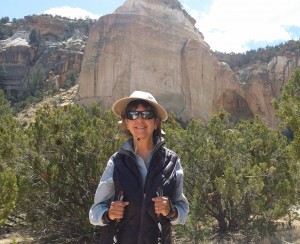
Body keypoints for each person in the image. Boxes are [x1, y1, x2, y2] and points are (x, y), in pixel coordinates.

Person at [89, 91, 189, 244]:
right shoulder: (116, 162)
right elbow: (94, 212)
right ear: (127, 123)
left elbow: (182, 210)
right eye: (133, 114)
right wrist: (108, 214)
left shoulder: (172, 161)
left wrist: (171, 211)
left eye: (147, 114)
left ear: (156, 122)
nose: (140, 120)